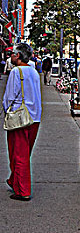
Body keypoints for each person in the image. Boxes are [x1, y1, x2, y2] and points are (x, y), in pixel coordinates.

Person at [3, 43, 42, 201]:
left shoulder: (16, 71)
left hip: (20, 117)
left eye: (12, 54)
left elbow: (9, 97)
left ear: (18, 56)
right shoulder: (33, 71)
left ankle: (23, 190)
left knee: (18, 154)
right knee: (25, 153)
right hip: (34, 118)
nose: (11, 56)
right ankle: (15, 181)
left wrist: (7, 111)